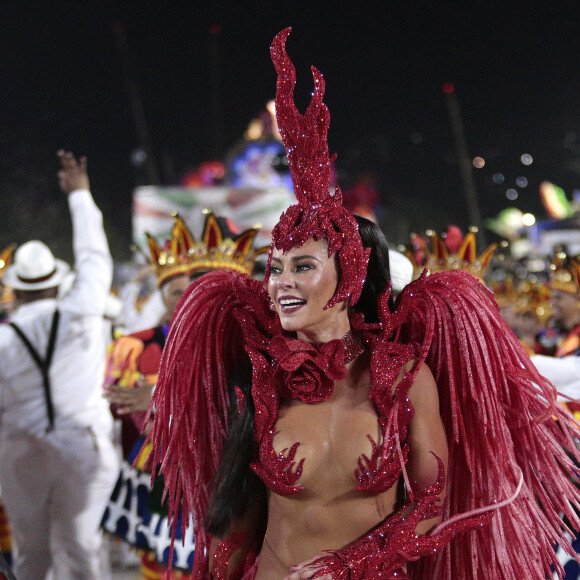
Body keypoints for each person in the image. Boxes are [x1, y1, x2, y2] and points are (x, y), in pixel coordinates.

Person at [146, 29, 580, 579]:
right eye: (275, 267)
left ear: (348, 280)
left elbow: (432, 500)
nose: (280, 282)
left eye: (303, 266)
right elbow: (239, 514)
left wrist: (344, 566)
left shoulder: (401, 376)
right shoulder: (261, 375)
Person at [101, 212, 266, 579]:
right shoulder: (141, 344)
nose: (195, 300)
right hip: (169, 480)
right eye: (189, 291)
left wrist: (164, 401)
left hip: (238, 486)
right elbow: (121, 406)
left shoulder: (260, 343)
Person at [0, 151, 119, 579]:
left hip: (20, 453)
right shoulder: (81, 309)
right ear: (55, 280)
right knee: (81, 547)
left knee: (31, 555)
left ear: (14, 291)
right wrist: (80, 197)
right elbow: (95, 258)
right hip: (83, 449)